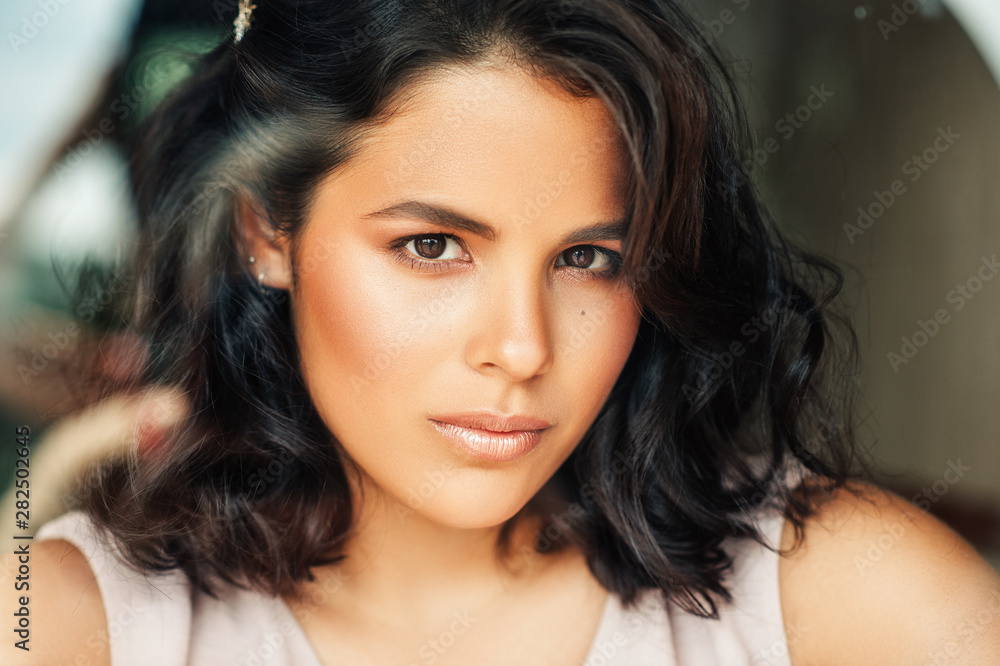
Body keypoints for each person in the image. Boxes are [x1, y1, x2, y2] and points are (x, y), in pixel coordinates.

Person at [4, 0, 1000, 664]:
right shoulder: (71, 628)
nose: (522, 349)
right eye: (434, 246)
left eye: (587, 260)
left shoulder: (841, 599)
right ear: (266, 231)